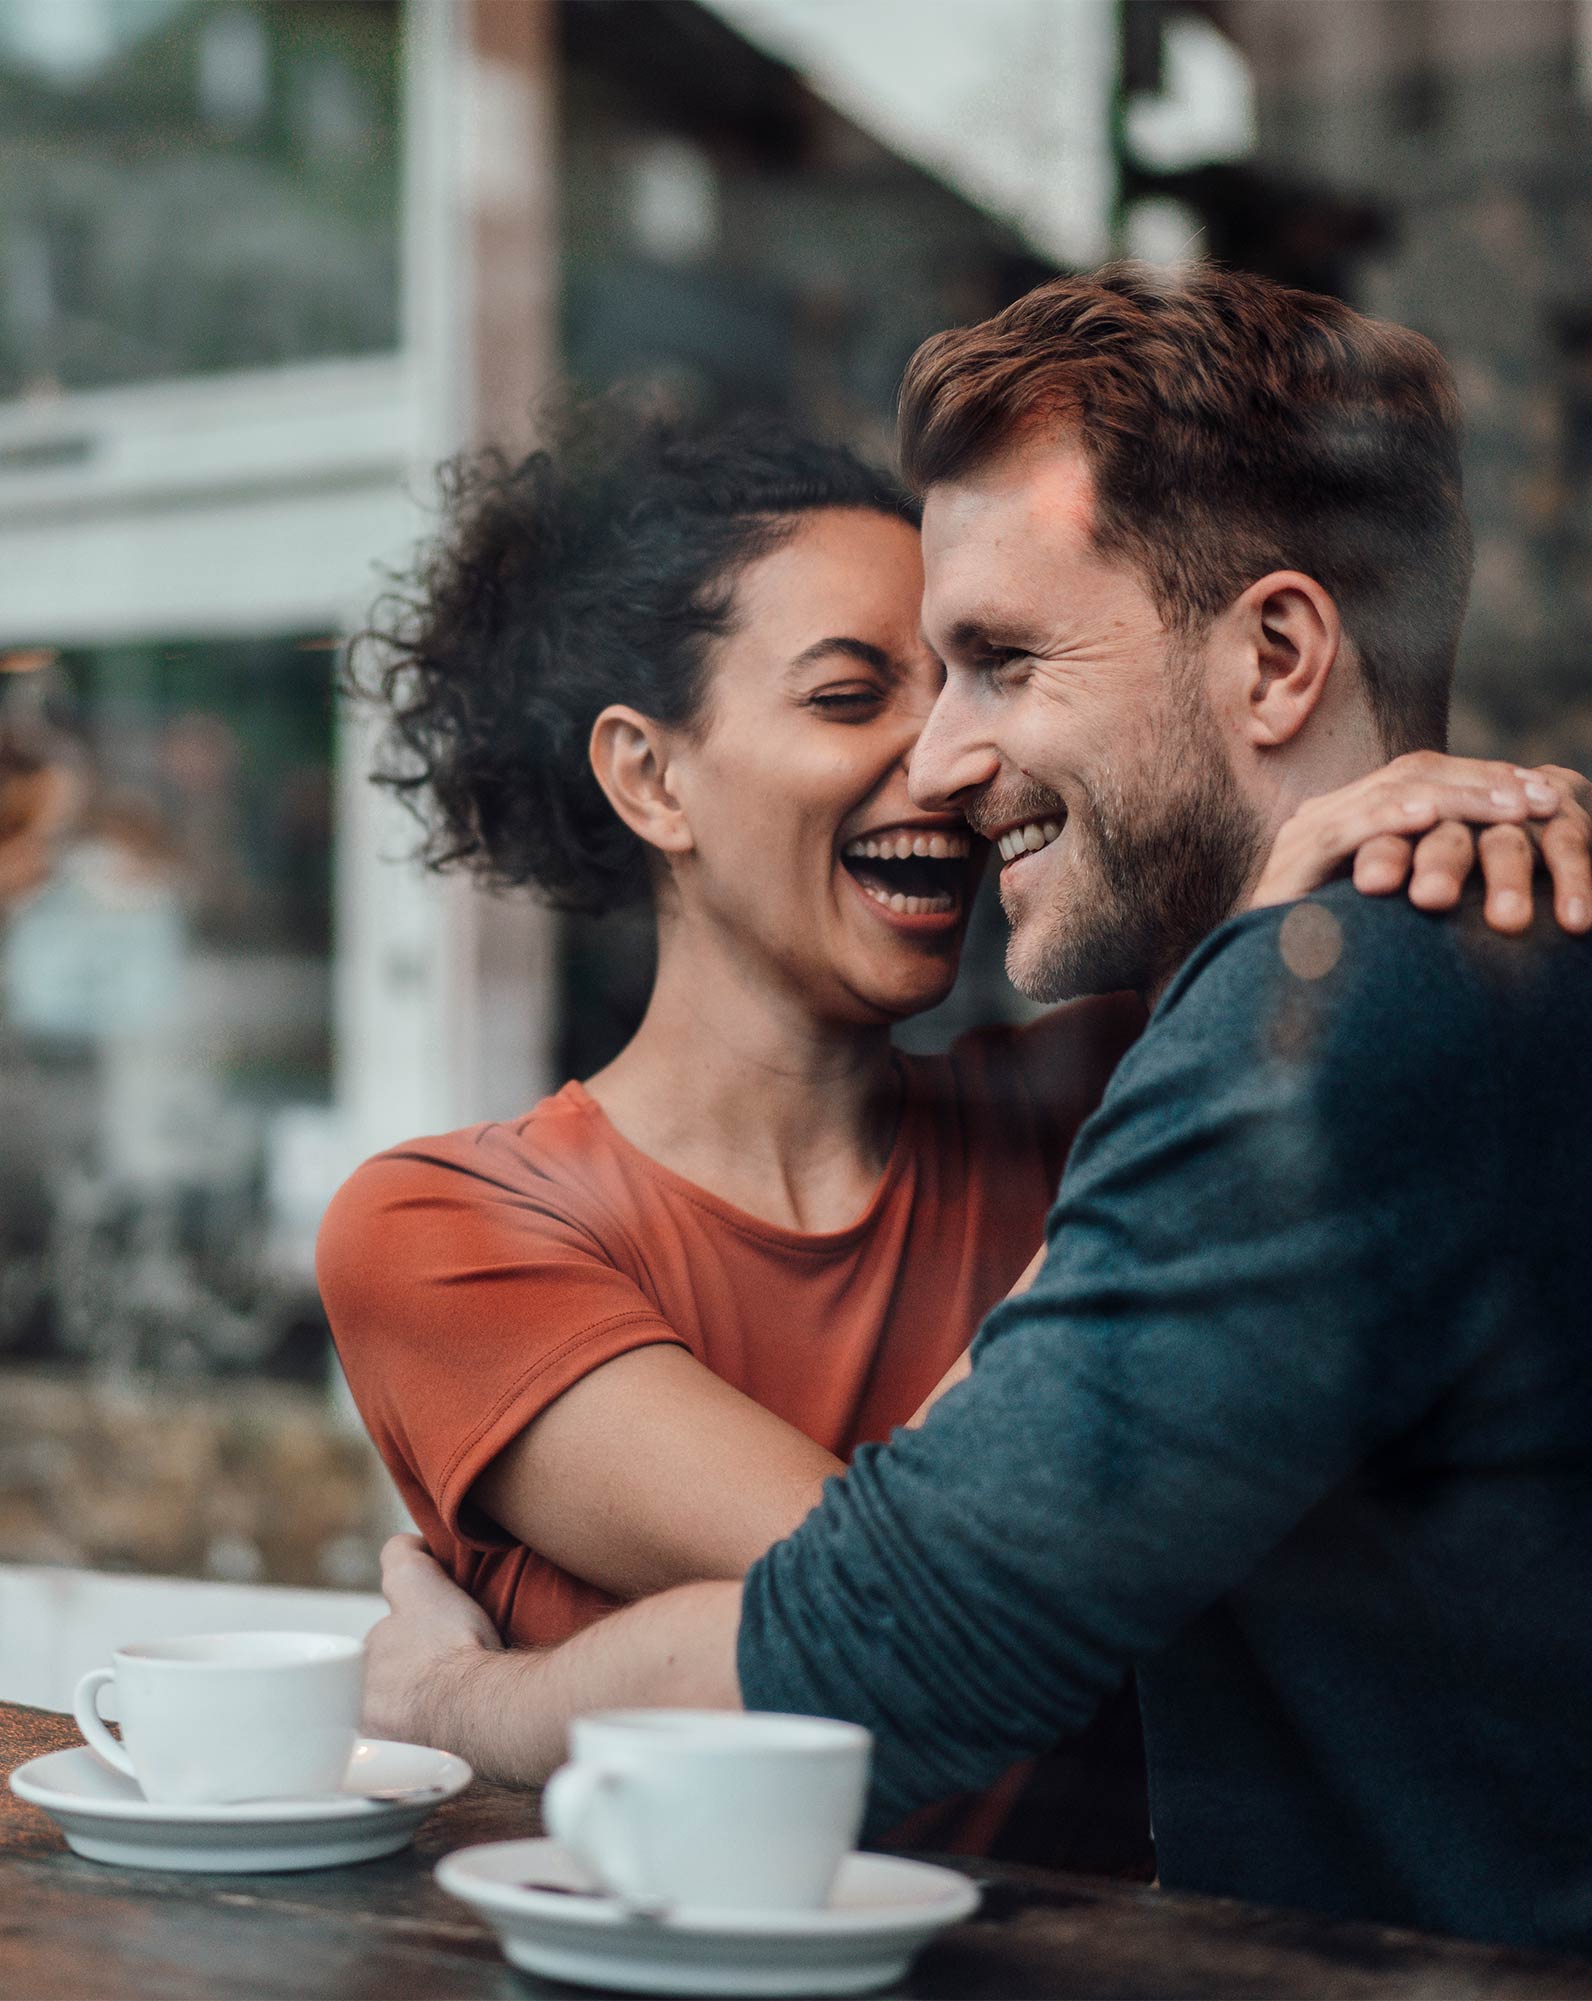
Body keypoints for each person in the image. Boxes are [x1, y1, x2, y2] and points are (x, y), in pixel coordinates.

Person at [354, 269, 1592, 1954]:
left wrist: (448, 1694)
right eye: (870, 687)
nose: (941, 758)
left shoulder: (1329, 1011)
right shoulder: (1349, 990)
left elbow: (896, 1617)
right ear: (646, 777)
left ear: (1281, 657)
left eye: (994, 662)